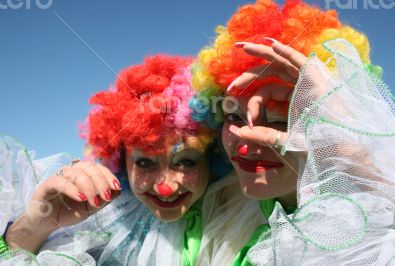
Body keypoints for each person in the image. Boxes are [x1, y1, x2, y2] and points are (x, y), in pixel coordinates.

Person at [191, 0, 395, 264]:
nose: (247, 142)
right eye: (234, 117)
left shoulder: (373, 229)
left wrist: (355, 153)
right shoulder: (222, 205)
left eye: (281, 121)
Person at [0, 54, 262, 265]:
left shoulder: (251, 214)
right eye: (145, 163)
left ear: (212, 155)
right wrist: (39, 222)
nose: (166, 187)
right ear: (121, 161)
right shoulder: (101, 223)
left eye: (186, 162)